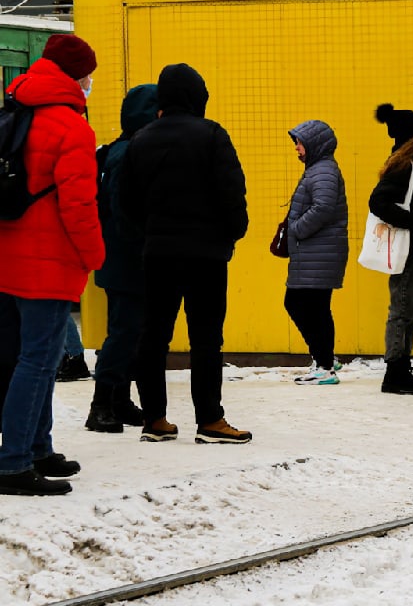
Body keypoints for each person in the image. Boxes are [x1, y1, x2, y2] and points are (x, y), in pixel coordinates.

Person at [120, 62, 252, 444]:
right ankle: (210, 419)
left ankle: (155, 418)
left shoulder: (141, 139)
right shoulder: (211, 135)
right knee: (206, 337)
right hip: (206, 255)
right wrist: (231, 235)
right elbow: (232, 193)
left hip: (158, 252)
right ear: (199, 96)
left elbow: (125, 201)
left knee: (154, 335)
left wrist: (149, 233)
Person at [0, 34, 103, 494]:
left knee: (21, 358)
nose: (89, 84)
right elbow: (79, 206)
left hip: (6, 256)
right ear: (75, 76)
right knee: (38, 362)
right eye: (87, 76)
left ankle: (38, 447)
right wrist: (94, 256)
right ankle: (14, 462)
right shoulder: (71, 127)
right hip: (48, 264)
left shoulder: (14, 109)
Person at [84, 83, 158, 433]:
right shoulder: (131, 152)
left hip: (116, 256)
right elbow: (123, 208)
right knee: (125, 332)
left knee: (128, 330)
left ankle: (119, 399)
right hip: (129, 258)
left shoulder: (116, 149)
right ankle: (101, 404)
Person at [369, 103, 413, 396]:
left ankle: (402, 366)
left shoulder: (412, 163)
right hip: (405, 247)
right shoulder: (403, 166)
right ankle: (394, 371)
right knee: (403, 308)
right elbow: (378, 202)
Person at [283, 120, 348, 385]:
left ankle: (324, 365)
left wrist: (296, 228)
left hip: (318, 251)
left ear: (313, 144)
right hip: (316, 253)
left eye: (299, 143)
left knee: (302, 304)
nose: (297, 149)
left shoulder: (323, 171)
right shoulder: (319, 169)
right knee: (315, 306)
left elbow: (322, 207)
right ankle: (326, 358)